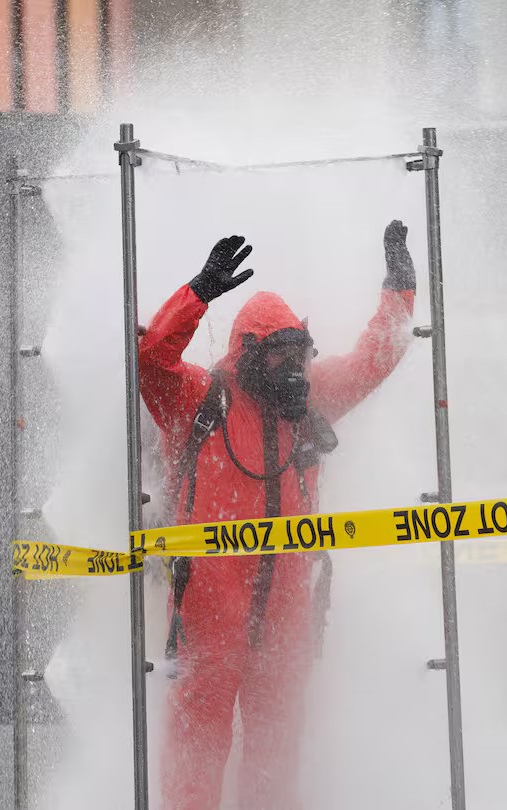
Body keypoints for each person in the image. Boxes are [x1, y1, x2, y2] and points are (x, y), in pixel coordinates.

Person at [137, 220, 417, 809]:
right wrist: (197, 294)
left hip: (286, 605)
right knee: (197, 742)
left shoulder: (312, 399)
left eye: (301, 355)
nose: (295, 370)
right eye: (281, 357)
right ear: (246, 356)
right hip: (209, 607)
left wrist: (399, 289)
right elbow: (151, 358)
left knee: (276, 747)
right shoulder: (199, 400)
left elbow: (376, 357)